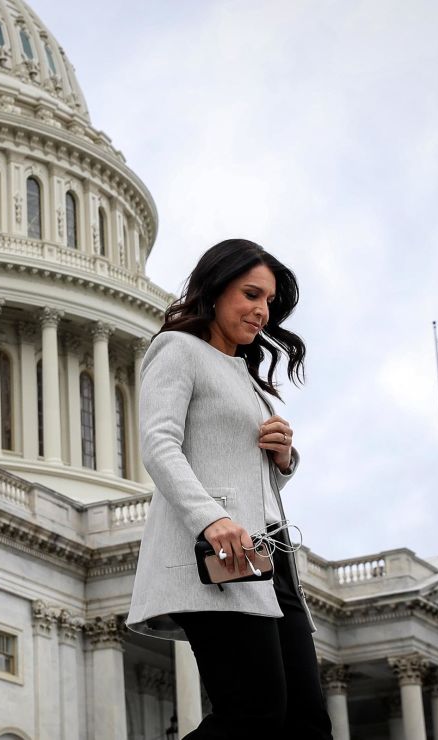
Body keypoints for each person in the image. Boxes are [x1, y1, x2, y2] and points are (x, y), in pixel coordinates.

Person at [126, 238, 333, 738]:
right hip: (218, 555)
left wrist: (283, 458)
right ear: (216, 290)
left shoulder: (251, 379)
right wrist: (211, 519)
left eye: (268, 301)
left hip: (270, 558)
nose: (262, 311)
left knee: (306, 723)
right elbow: (158, 445)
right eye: (251, 294)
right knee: (253, 712)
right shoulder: (178, 350)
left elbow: (252, 477)